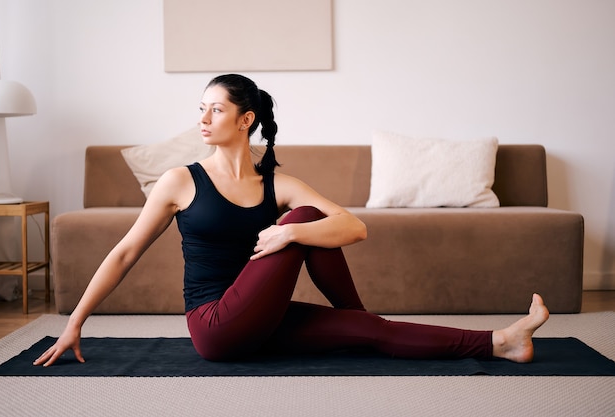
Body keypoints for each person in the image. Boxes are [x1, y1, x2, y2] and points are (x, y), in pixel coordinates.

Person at [34, 74, 549, 367]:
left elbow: (355, 227)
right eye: (201, 109)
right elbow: (124, 252)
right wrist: (74, 324)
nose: (203, 119)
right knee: (305, 218)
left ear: (246, 119)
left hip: (263, 317)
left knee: (314, 234)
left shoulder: (275, 182)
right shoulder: (180, 181)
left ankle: (501, 341)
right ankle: (363, 318)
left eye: (215, 110)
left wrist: (292, 232)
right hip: (214, 326)